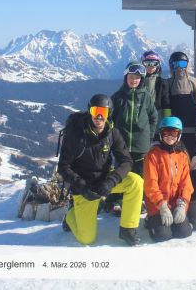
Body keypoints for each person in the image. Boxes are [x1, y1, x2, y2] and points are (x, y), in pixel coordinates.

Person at [57, 94, 143, 246]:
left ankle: (128, 229)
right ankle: (71, 215)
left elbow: (127, 161)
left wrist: (111, 181)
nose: (99, 117)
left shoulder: (112, 133)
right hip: (84, 187)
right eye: (95, 111)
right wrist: (81, 186)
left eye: (103, 112)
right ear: (89, 111)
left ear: (109, 114)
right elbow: (63, 167)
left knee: (135, 181)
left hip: (104, 181)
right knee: (86, 239)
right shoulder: (76, 135)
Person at [143, 116, 194, 242]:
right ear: (161, 134)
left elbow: (186, 183)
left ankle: (177, 220)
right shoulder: (153, 155)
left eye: (174, 133)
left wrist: (182, 205)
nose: (170, 136)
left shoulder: (182, 155)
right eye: (166, 132)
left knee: (184, 232)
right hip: (157, 205)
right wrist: (162, 206)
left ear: (179, 135)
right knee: (163, 235)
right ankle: (150, 220)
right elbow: (150, 184)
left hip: (175, 203)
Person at [111, 61, 157, 176]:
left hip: (141, 147)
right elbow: (109, 119)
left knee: (140, 177)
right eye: (131, 77)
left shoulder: (146, 97)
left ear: (141, 79)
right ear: (126, 77)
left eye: (137, 77)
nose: (134, 80)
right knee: (121, 176)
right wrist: (113, 137)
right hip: (122, 145)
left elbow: (153, 117)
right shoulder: (118, 97)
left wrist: (149, 136)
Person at [162, 51, 196, 155]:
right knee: (174, 151)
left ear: (187, 65)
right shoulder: (168, 83)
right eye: (176, 64)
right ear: (172, 66)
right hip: (174, 126)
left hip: (190, 124)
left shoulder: (194, 82)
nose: (180, 67)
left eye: (183, 64)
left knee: (190, 151)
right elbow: (166, 104)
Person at [141, 50, 167, 128]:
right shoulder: (138, 81)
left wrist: (166, 119)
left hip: (158, 115)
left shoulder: (162, 83)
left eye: (154, 64)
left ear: (158, 65)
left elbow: (166, 102)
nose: (151, 66)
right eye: (147, 63)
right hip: (141, 114)